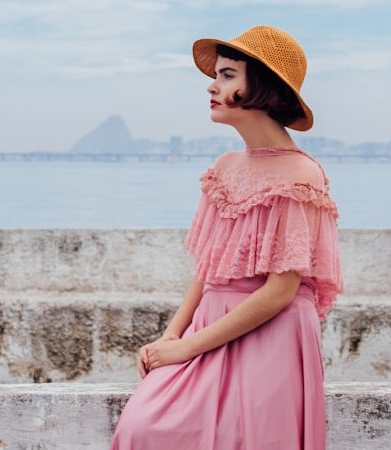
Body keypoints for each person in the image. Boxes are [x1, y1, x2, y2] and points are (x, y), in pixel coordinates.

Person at [109, 25, 344, 449]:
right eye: (217, 75)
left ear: (263, 87)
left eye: (228, 75)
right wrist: (171, 336)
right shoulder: (226, 166)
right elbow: (208, 268)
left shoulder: (301, 174)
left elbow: (280, 292)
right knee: (141, 425)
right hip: (210, 323)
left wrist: (186, 348)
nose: (212, 87)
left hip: (272, 331)